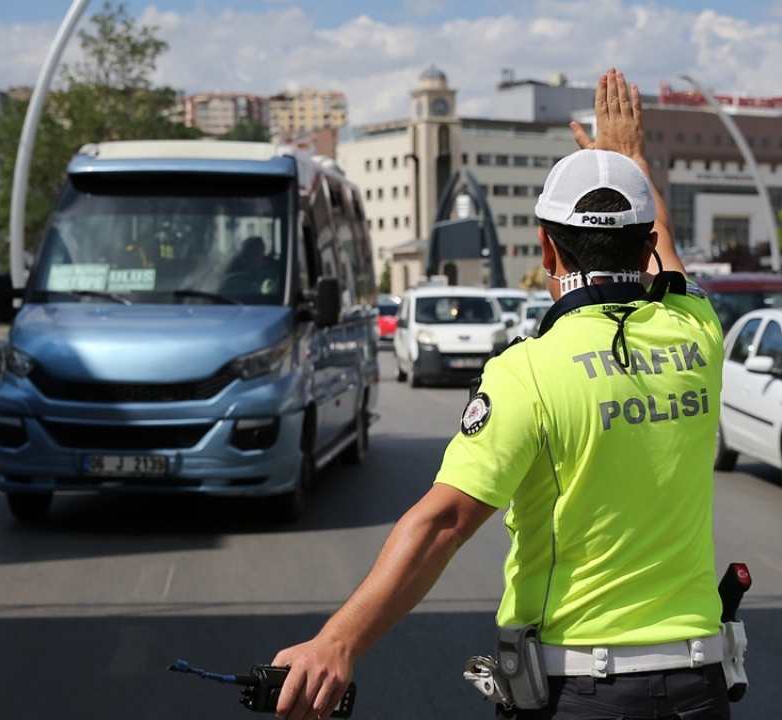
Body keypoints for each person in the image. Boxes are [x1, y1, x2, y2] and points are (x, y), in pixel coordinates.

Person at [270, 69, 730, 720]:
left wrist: (338, 642)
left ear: (547, 247)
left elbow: (445, 524)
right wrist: (630, 163)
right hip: (697, 689)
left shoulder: (529, 373)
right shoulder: (697, 334)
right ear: (647, 241)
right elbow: (672, 266)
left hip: (581, 695)